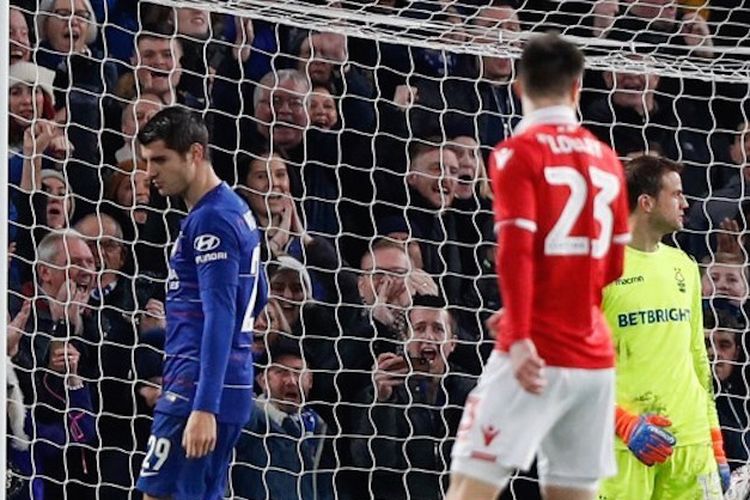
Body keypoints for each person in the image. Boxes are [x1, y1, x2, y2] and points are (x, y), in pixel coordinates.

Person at [447, 33, 631, 500]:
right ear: (578, 88)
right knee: (572, 494)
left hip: (534, 355)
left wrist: (525, 331)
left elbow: (517, 246)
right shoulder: (609, 160)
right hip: (594, 361)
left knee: (470, 484)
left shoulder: (515, 152)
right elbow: (611, 266)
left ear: (517, 85)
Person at [134, 107, 268, 500]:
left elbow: (222, 314)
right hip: (226, 382)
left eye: (160, 159)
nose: (150, 172)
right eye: (146, 161)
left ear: (195, 153)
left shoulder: (211, 221)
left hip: (196, 389)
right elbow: (258, 293)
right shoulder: (235, 208)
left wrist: (203, 405)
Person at [597, 155, 728, 498]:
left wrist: (714, 441)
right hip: (623, 447)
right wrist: (623, 424)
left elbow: (698, 358)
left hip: (691, 445)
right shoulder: (596, 269)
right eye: (677, 194)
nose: (686, 203)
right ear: (646, 202)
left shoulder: (683, 266)